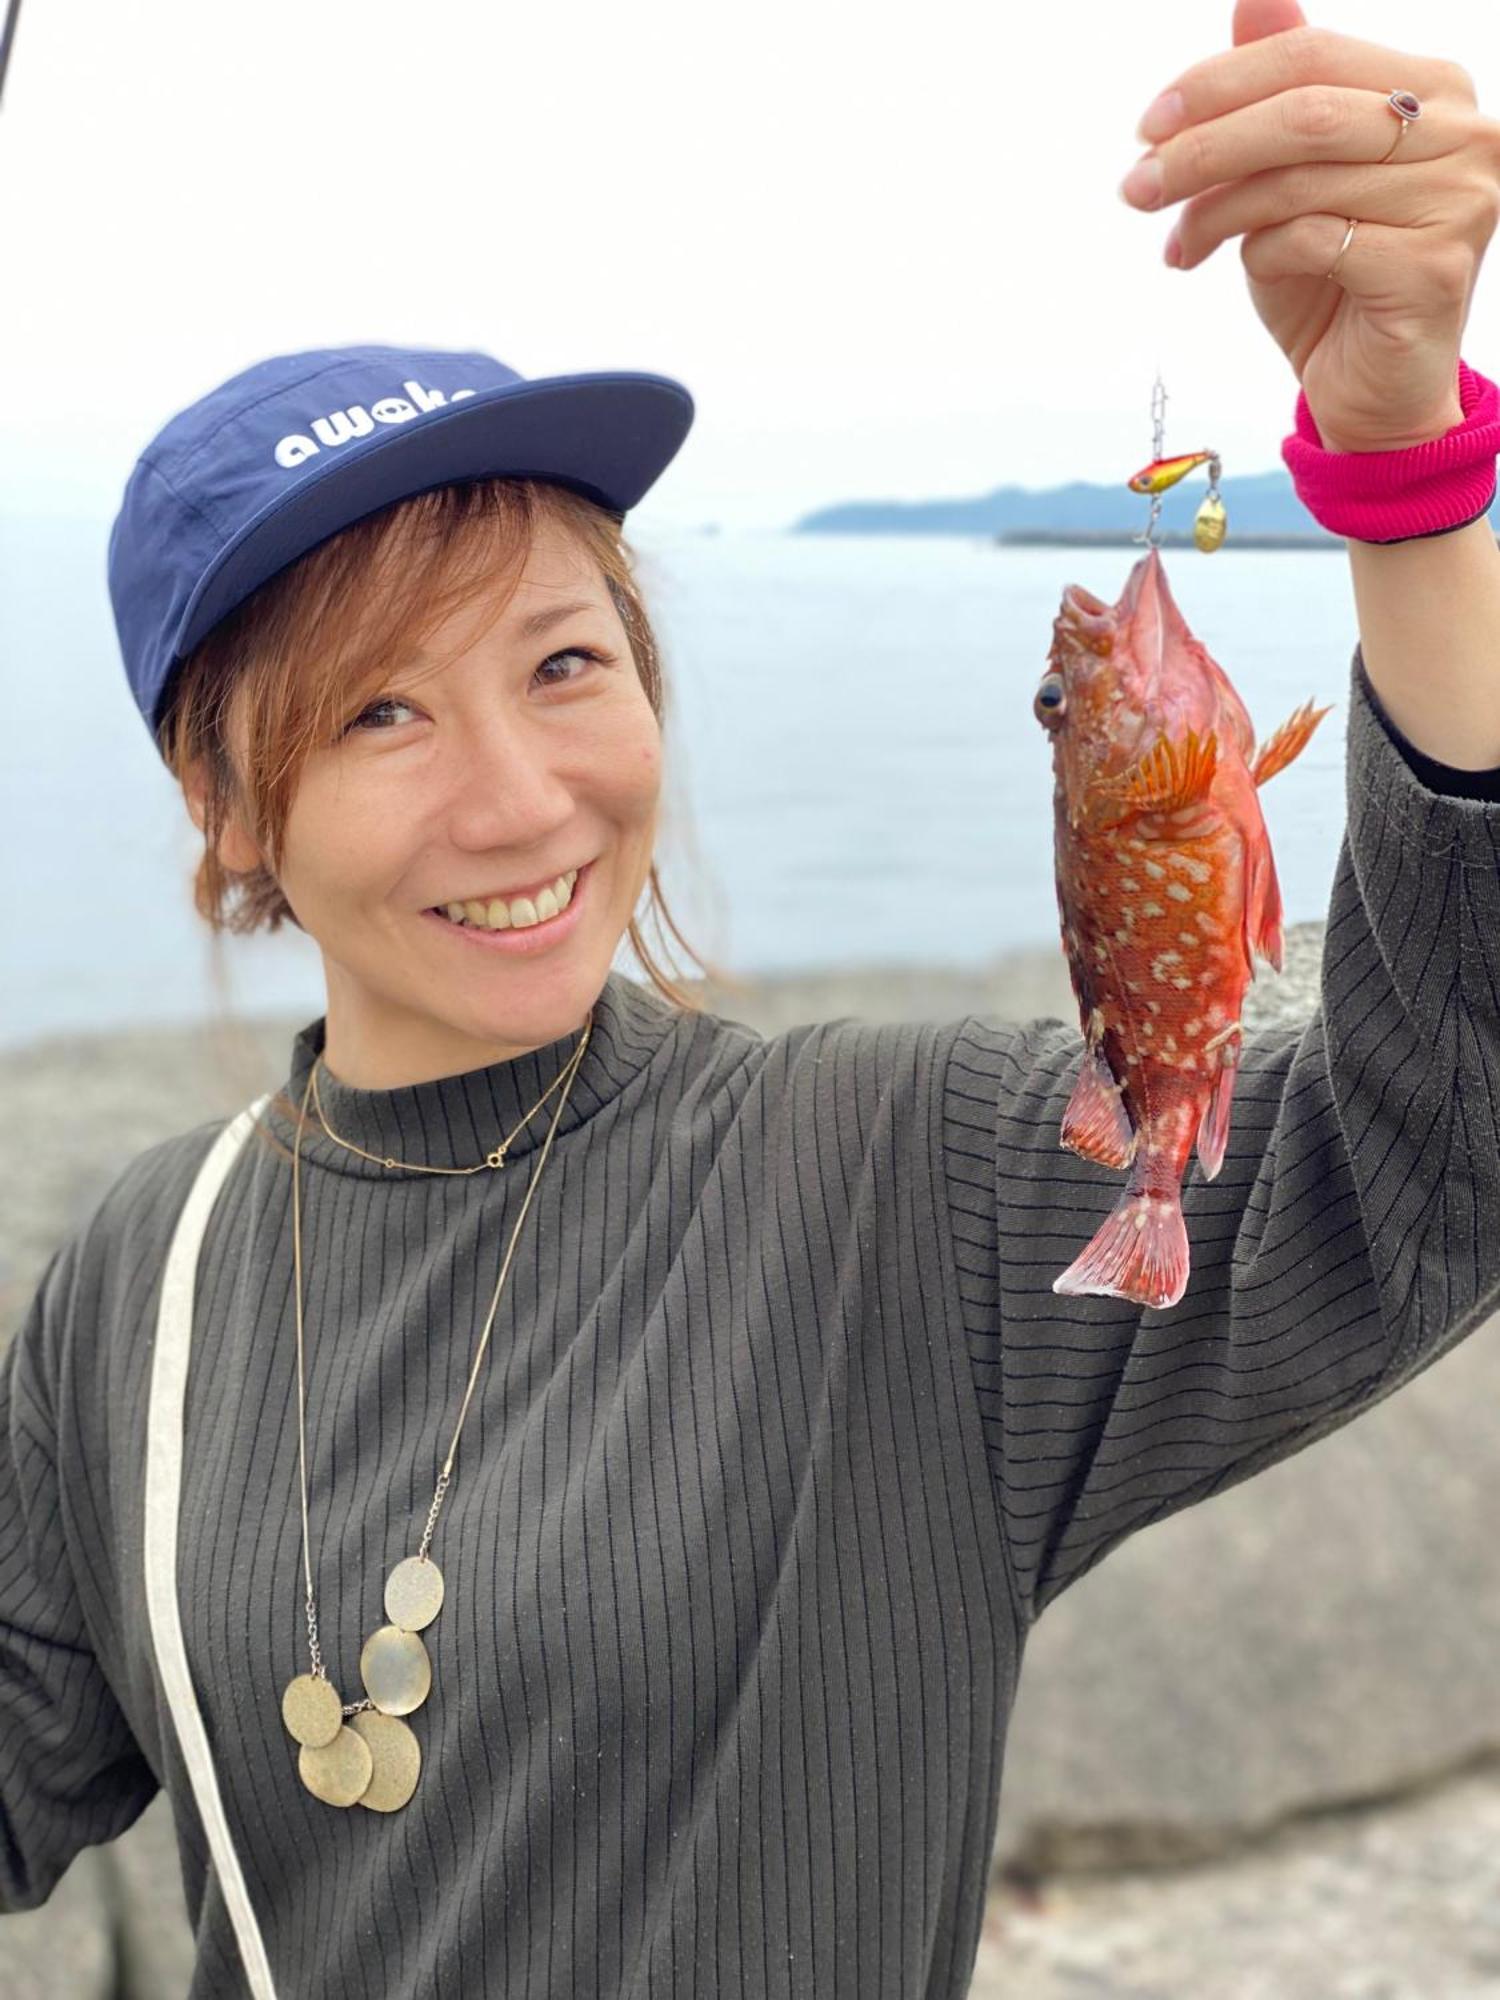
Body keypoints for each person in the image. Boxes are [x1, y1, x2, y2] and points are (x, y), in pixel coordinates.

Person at [5, 9, 1500, 1995]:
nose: (525, 796)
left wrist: (1409, 466)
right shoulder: (140, 1281)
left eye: (561, 661)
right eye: (383, 708)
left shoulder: (905, 1182)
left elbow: (1427, 1152)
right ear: (224, 802)